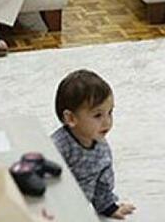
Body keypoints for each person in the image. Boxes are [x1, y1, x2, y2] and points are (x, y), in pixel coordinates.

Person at [51, 70, 135, 219]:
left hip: (77, 210)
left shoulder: (101, 147)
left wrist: (108, 207)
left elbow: (103, 182)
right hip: (52, 210)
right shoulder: (57, 147)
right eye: (98, 115)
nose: (107, 122)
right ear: (71, 118)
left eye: (110, 112)